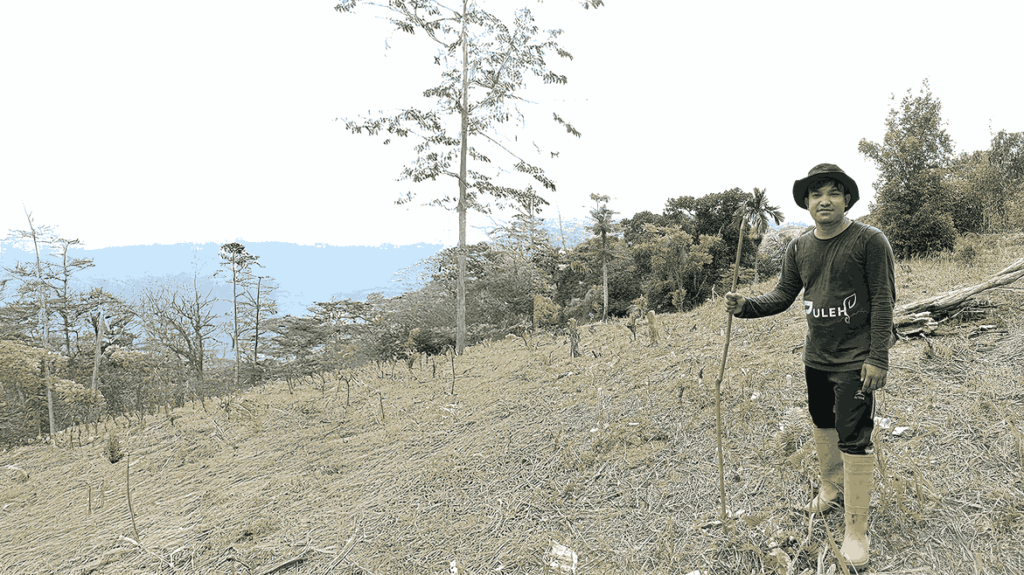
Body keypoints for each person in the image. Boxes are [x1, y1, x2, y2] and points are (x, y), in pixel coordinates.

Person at [725, 163, 896, 569]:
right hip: (816, 357)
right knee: (823, 423)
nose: (825, 200)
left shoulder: (869, 241)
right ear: (806, 202)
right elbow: (783, 295)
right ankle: (831, 489)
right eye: (816, 194)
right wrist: (746, 306)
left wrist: (878, 357)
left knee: (854, 436)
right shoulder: (799, 248)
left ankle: (856, 529)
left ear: (847, 199)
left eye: (834, 192)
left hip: (856, 360)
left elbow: (884, 300)